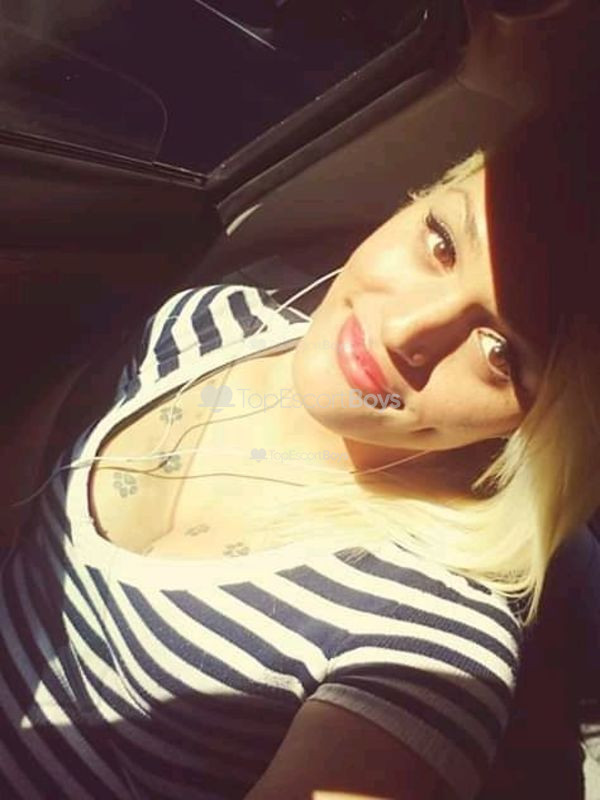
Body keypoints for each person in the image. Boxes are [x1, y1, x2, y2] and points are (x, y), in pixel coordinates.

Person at [0, 3, 597, 800]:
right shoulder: (210, 321)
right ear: (409, 202)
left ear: (544, 426)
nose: (407, 331)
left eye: (499, 353)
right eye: (441, 243)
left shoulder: (430, 639)